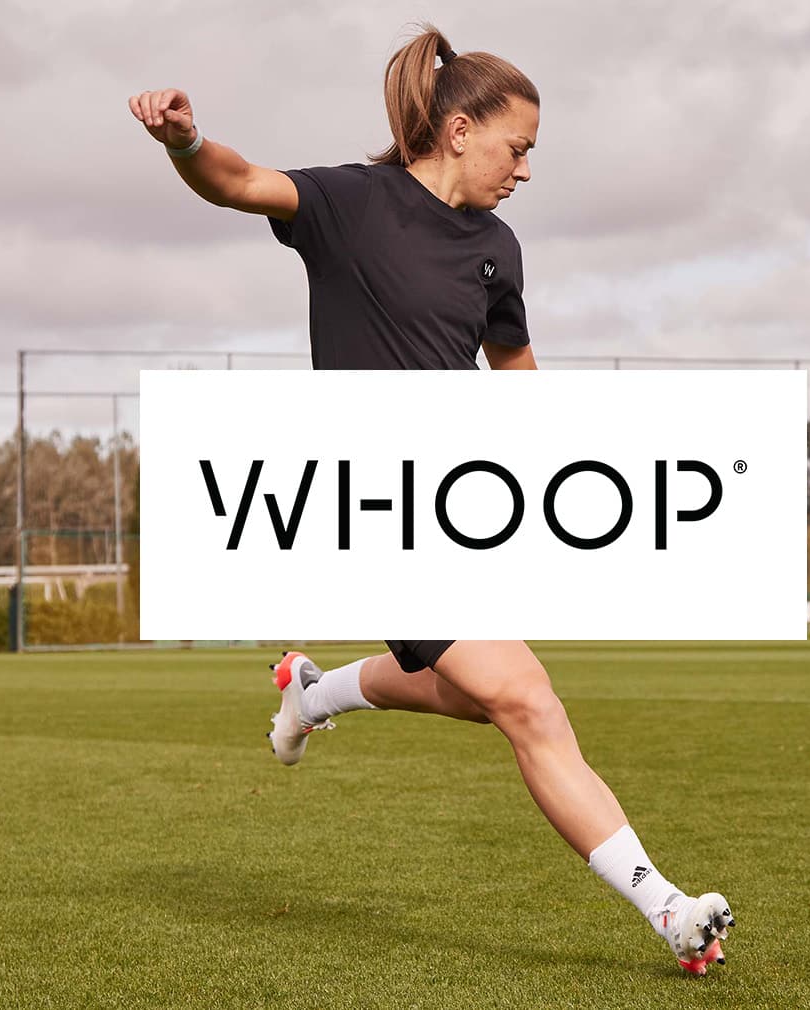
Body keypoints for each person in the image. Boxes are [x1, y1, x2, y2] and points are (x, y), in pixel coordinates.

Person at [127, 24, 735, 975]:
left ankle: (312, 692)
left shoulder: (498, 248)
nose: (526, 169)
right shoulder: (350, 205)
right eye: (517, 148)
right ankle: (668, 910)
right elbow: (240, 182)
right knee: (528, 698)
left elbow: (517, 371)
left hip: (453, 506)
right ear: (459, 130)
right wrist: (184, 144)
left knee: (476, 693)